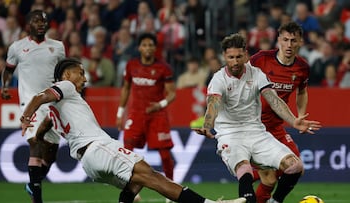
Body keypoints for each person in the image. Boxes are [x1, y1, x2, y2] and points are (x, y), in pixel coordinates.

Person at [19, 57, 246, 203]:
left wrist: (37, 136)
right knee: (152, 176)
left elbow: (43, 130)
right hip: (99, 148)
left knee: (135, 184)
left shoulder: (54, 111)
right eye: (81, 73)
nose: (85, 79)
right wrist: (26, 115)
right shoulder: (65, 86)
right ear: (67, 75)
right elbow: (41, 96)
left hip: (89, 163)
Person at [193, 33, 321, 203]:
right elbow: (213, 104)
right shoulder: (218, 79)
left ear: (246, 54)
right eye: (231, 57)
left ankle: (274, 201)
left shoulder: (257, 74)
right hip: (230, 135)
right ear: (224, 56)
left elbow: (274, 100)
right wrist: (208, 125)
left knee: (295, 166)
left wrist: (293, 120)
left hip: (257, 132)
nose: (236, 61)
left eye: (239, 56)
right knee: (244, 170)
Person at [0, 10, 65, 203]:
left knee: (51, 152)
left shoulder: (58, 47)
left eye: (44, 21)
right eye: (37, 21)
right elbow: (8, 69)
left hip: (53, 103)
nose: (41, 24)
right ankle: (37, 199)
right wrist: (5, 86)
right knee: (35, 143)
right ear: (28, 24)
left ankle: (32, 184)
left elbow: (63, 72)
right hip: (29, 104)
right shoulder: (17, 47)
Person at [249, 21, 309, 203]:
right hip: (255, 127)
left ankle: (272, 199)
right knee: (270, 178)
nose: (289, 45)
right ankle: (247, 175)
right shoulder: (260, 59)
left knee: (297, 168)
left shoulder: (302, 68)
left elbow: (302, 91)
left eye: (293, 40)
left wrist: (300, 116)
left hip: (276, 127)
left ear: (300, 42)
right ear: (278, 40)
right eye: (285, 40)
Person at [116, 32, 176, 185]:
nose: (148, 48)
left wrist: (160, 105)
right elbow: (126, 89)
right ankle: (128, 186)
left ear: (155, 48)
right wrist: (120, 112)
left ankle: (171, 188)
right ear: (139, 48)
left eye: (151, 45)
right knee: (127, 150)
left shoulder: (163, 68)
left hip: (157, 115)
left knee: (165, 156)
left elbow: (172, 94)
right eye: (144, 45)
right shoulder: (131, 65)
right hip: (136, 114)